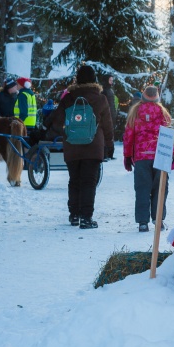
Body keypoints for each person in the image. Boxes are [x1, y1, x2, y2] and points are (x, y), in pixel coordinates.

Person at [47, 64, 114, 229]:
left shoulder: (68, 98)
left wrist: (66, 132)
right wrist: (109, 144)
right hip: (93, 146)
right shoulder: (100, 98)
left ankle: (74, 215)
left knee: (74, 180)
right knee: (89, 182)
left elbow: (57, 122)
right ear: (94, 80)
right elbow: (107, 125)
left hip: (72, 146)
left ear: (77, 79)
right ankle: (86, 217)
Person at [123, 85, 174, 232]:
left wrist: (127, 156)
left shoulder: (135, 112)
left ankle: (143, 222)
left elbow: (128, 136)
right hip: (160, 156)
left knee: (142, 188)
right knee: (160, 188)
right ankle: (158, 219)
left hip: (141, 157)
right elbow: (168, 134)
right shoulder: (163, 112)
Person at [102, 74, 118, 159]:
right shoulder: (104, 91)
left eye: (112, 80)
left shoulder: (110, 90)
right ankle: (105, 154)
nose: (111, 82)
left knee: (111, 134)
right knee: (106, 134)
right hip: (107, 115)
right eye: (110, 80)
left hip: (112, 115)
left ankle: (110, 154)